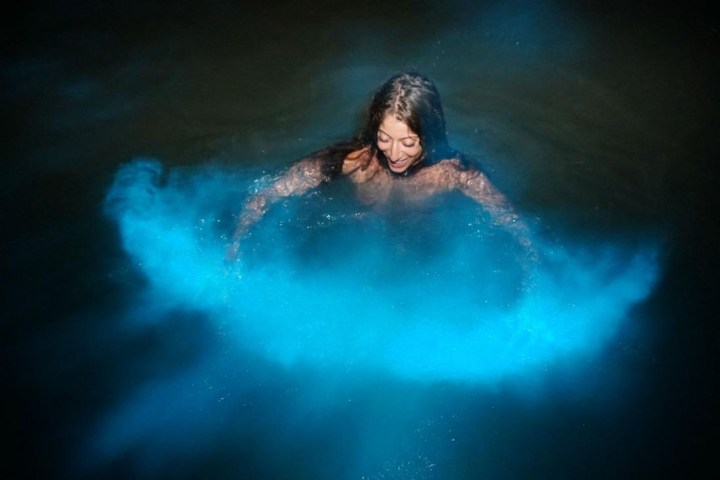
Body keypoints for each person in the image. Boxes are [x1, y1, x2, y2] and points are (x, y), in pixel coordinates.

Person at [227, 71, 536, 267]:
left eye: (408, 142)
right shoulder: (355, 161)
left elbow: (510, 218)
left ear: (429, 134)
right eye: (385, 138)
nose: (394, 153)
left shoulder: (454, 172)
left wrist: (534, 264)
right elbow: (268, 193)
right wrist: (237, 242)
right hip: (361, 245)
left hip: (425, 253)